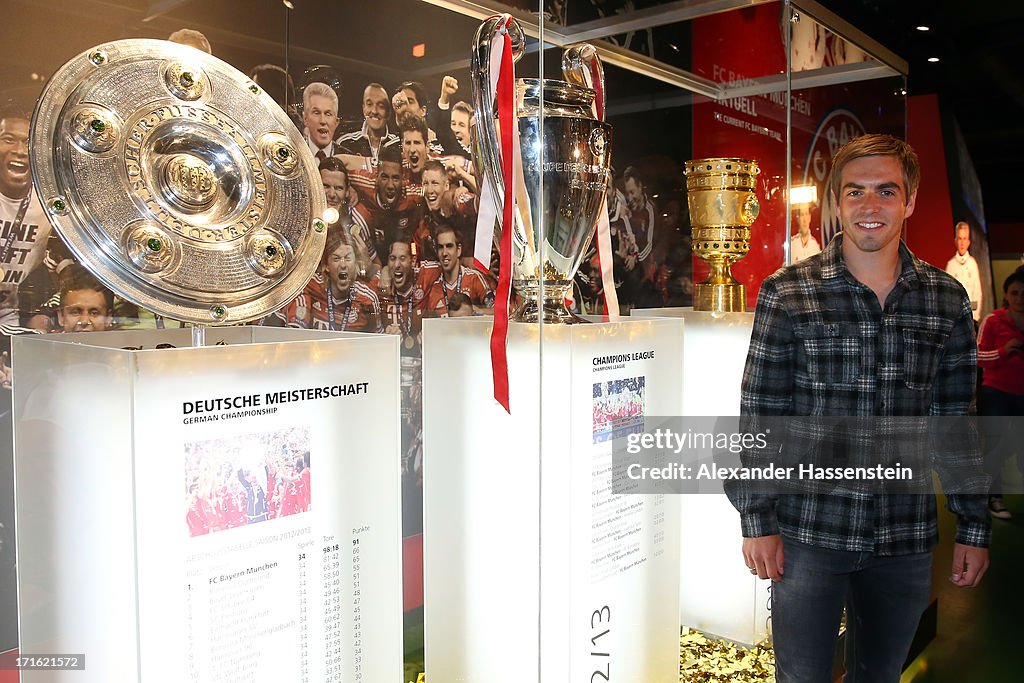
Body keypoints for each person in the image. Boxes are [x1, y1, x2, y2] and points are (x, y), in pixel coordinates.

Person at [726, 134, 990, 682]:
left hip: (905, 535)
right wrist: (757, 518)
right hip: (808, 533)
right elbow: (761, 413)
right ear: (836, 202)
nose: (870, 207)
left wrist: (973, 525)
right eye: (855, 192)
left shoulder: (944, 299)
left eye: (886, 191)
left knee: (881, 674)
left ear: (910, 201)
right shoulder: (788, 293)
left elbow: (956, 421)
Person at [976, 269, 1024, 519]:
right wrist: (1004, 351)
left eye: (1023, 294)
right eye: (1015, 293)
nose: (1019, 298)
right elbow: (978, 357)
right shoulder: (992, 321)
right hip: (996, 393)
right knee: (995, 444)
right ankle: (993, 497)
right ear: (1006, 295)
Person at [274, 229, 382, 333]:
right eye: (336, 259)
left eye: (348, 258)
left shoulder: (368, 298)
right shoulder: (309, 285)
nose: (343, 265)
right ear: (326, 266)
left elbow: (378, 340)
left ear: (356, 264)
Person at [0, 112, 51, 328]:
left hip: (10, 316)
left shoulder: (48, 203)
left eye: (28, 142)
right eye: (8, 139)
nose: (20, 151)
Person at [420, 226, 492, 312]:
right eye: (440, 247)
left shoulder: (474, 279)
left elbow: (498, 311)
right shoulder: (433, 287)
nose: (444, 253)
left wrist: (475, 311)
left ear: (458, 250)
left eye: (449, 246)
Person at [337, 83, 399, 165]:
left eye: (381, 106)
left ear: (388, 112)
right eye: (369, 104)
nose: (374, 111)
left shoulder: (397, 144)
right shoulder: (345, 143)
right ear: (363, 108)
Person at [55, 264, 113, 332]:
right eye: (75, 312)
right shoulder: (45, 342)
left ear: (108, 318)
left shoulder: (122, 342)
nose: (84, 322)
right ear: (61, 317)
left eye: (94, 313)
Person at [945, 221, 983, 323]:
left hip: (971, 318)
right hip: (955, 318)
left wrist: (975, 317)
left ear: (968, 242)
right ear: (955, 241)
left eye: (964, 239)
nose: (962, 243)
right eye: (960, 239)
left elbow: (977, 292)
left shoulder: (972, 264)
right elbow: (948, 293)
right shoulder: (951, 265)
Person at [301, 82, 341, 161]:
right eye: (316, 113)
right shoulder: (295, 155)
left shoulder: (348, 160)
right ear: (305, 119)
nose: (323, 121)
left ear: (336, 122)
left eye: (328, 114)